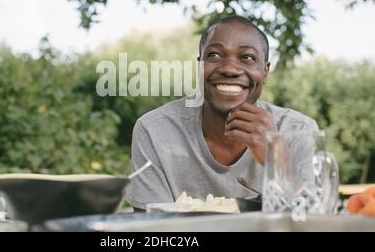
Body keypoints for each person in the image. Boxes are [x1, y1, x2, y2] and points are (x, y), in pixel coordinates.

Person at [125, 16, 319, 212]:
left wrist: (278, 160)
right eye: (215, 55)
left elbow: (314, 222)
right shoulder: (154, 130)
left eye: (247, 57)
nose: (229, 69)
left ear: (265, 71)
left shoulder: (298, 130)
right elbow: (151, 232)